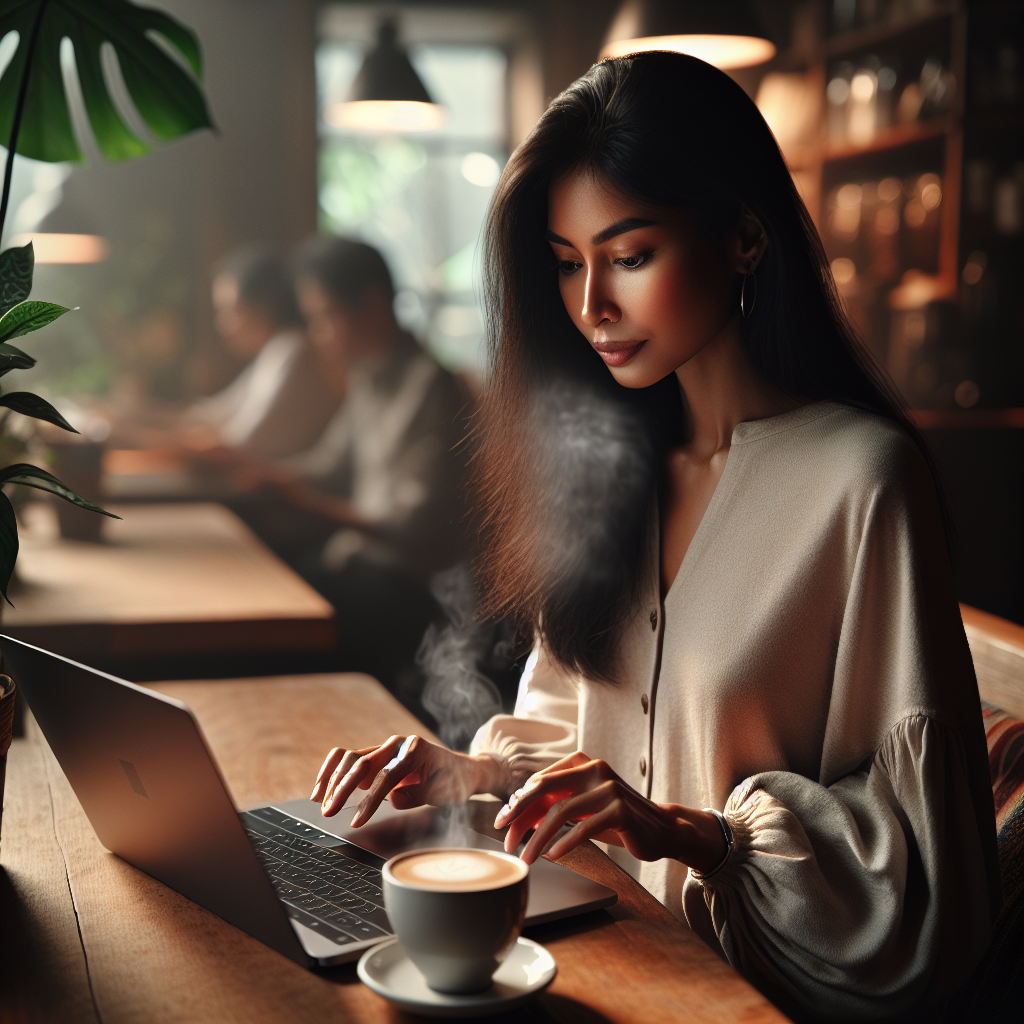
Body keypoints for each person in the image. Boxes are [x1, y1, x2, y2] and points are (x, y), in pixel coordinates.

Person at [307, 54, 999, 1022]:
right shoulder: (600, 466)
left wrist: (687, 832)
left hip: (738, 992)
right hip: (594, 953)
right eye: (563, 260)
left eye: (628, 256)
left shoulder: (861, 478)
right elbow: (579, 737)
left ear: (744, 237)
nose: (590, 303)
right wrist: (477, 771)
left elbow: (923, 879)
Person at [235, 237, 473, 693]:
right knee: (254, 592)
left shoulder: (432, 387)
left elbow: (415, 527)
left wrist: (304, 502)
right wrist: (272, 478)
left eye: (325, 316)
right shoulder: (366, 374)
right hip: (360, 562)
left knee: (266, 627)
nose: (319, 333)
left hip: (407, 587)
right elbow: (329, 464)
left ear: (372, 303)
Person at [114, 246, 339, 462]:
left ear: (265, 307)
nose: (222, 324)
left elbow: (236, 447)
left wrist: (131, 434)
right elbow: (211, 417)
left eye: (231, 310)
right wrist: (131, 412)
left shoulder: (293, 350)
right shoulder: (275, 353)